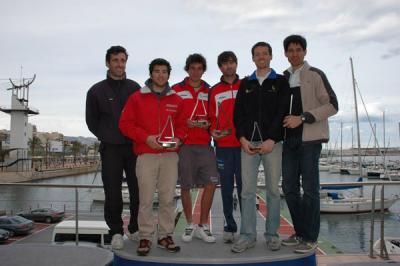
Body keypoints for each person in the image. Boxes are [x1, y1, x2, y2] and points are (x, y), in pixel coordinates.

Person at [119, 58, 186, 256]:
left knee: (167, 198)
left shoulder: (176, 100)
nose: (160, 75)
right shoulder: (136, 98)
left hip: (169, 156)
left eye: (164, 71)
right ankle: (145, 237)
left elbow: (182, 126)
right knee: (146, 199)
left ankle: (165, 235)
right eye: (157, 71)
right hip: (146, 154)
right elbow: (125, 124)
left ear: (168, 75)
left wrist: (179, 139)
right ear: (151, 74)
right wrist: (146, 138)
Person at [281, 35, 338, 253]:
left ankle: (311, 237)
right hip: (288, 141)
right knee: (289, 188)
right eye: (290, 50)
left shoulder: (315, 75)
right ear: (285, 53)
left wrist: (303, 117)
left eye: (298, 49)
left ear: (305, 52)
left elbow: (333, 105)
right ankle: (301, 232)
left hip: (310, 140)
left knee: (311, 190)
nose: (294, 53)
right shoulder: (283, 78)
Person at [232, 42, 290, 253]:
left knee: (273, 191)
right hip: (248, 144)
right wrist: (242, 139)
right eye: (257, 54)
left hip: (272, 144)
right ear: (253, 58)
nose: (261, 57)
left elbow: (282, 111)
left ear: (271, 57)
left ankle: (272, 235)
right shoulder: (246, 83)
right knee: (247, 192)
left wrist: (272, 139)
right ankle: (247, 236)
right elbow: (238, 114)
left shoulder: (281, 82)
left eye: (265, 53)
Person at [85, 45, 140, 250]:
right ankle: (116, 231)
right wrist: (108, 136)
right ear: (108, 63)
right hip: (110, 149)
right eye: (115, 60)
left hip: (134, 148)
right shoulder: (96, 90)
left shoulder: (135, 88)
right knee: (112, 193)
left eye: (123, 60)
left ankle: (134, 229)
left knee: (138, 192)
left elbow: (142, 117)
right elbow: (92, 121)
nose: (119, 64)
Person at [172, 53, 218, 243]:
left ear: (204, 70)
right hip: (185, 145)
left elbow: (216, 116)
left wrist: (209, 124)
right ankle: (190, 224)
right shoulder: (175, 90)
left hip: (206, 145)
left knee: (212, 183)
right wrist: (185, 123)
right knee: (185, 185)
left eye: (200, 68)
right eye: (192, 68)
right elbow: (170, 117)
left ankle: (203, 225)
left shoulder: (211, 91)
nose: (196, 72)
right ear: (187, 69)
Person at [209, 51, 242, 243]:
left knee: (245, 190)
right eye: (224, 64)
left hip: (244, 147)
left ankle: (247, 228)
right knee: (227, 189)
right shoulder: (214, 91)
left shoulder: (246, 85)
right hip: (223, 147)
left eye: (231, 63)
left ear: (236, 64)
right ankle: (229, 226)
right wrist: (213, 131)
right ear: (220, 67)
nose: (228, 66)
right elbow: (212, 118)